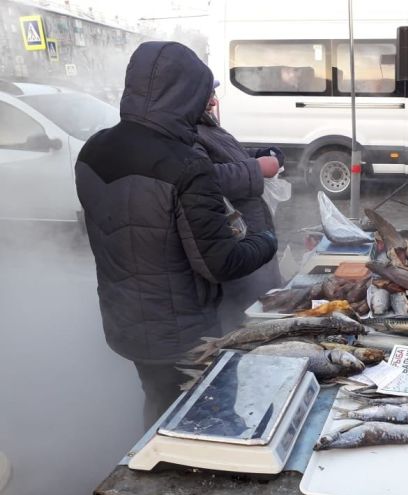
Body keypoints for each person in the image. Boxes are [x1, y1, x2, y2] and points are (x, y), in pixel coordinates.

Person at [75, 42, 278, 427]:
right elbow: (221, 262)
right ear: (187, 94)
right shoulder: (185, 164)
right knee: (207, 417)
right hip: (185, 332)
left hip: (126, 323)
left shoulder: (94, 149)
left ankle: (151, 464)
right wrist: (266, 240)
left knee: (158, 402)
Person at [195, 81, 284, 330]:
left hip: (254, 234)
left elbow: (230, 155)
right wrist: (256, 168)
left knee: (267, 299)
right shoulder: (186, 133)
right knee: (244, 316)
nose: (213, 101)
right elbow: (202, 178)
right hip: (234, 240)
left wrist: (259, 154)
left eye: (213, 93)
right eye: (207, 94)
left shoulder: (208, 125)